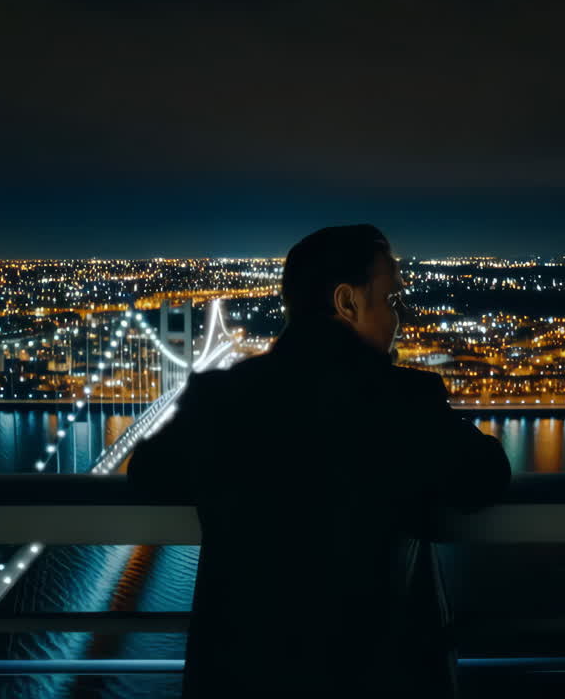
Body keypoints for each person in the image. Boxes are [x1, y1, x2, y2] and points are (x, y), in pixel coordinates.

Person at [128, 225, 511, 698]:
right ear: (347, 302)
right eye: (391, 300)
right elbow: (485, 478)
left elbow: (147, 475)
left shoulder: (221, 397)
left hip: (238, 680)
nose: (401, 316)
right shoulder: (404, 400)